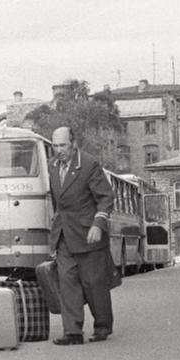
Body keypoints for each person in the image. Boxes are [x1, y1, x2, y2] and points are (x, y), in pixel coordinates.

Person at [48, 127, 116, 345]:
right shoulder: (53, 167)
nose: (59, 150)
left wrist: (98, 223)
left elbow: (106, 198)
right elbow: (58, 204)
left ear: (73, 143)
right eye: (55, 146)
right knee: (67, 281)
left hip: (89, 235)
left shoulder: (88, 164)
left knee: (93, 283)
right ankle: (73, 332)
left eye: (63, 145)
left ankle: (102, 327)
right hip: (64, 235)